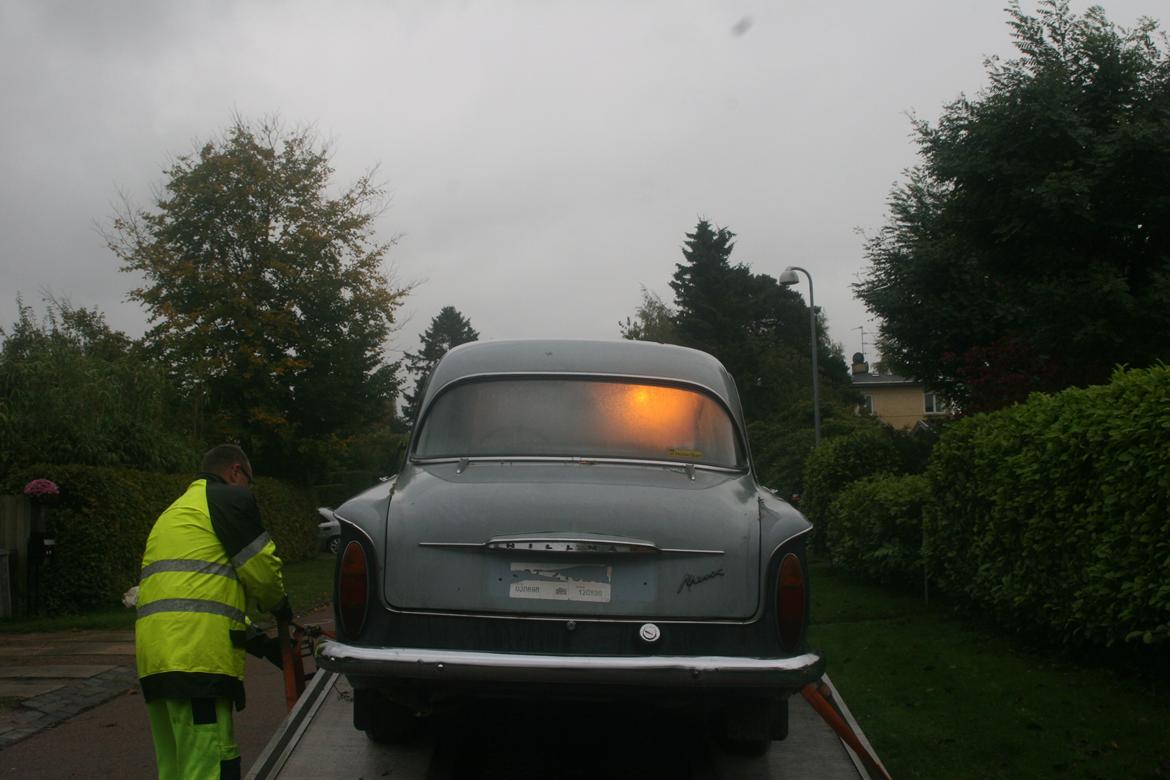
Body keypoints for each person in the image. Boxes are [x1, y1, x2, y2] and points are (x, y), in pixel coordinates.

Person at [135, 444, 292, 780]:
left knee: (177, 767)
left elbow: (195, 597)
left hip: (157, 657)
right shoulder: (228, 500)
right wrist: (280, 606)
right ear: (236, 471)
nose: (249, 489)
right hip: (197, 659)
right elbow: (261, 569)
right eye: (249, 480)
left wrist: (260, 643)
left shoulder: (176, 512)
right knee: (212, 764)